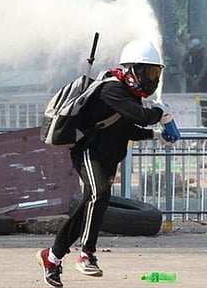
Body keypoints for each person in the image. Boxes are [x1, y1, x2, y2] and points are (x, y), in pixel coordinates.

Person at [36, 40, 178, 287]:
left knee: (89, 208)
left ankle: (52, 257)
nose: (152, 78)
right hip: (89, 152)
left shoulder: (129, 96)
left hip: (109, 157)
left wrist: (156, 135)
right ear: (133, 69)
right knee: (99, 194)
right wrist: (160, 113)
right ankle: (87, 254)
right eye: (149, 72)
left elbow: (126, 127)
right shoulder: (112, 89)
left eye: (157, 72)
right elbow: (141, 117)